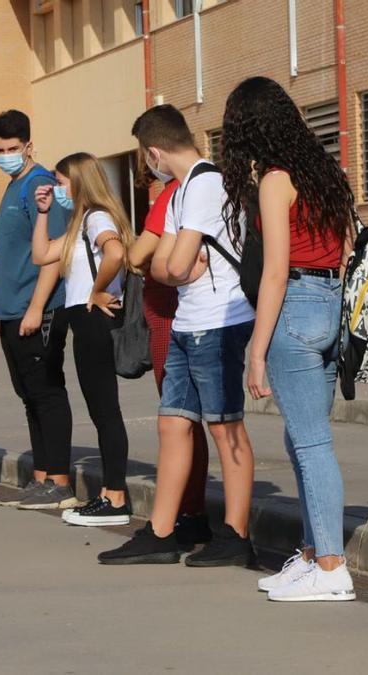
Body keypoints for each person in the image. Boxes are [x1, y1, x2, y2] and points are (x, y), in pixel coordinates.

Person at [98, 105, 257, 566]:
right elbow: (164, 265)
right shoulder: (181, 189)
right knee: (173, 423)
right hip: (189, 321)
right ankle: (162, 532)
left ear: (154, 151)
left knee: (225, 426)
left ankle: (235, 534)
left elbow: (172, 263)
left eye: (145, 158)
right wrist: (174, 269)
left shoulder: (206, 183)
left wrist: (173, 269)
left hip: (218, 321)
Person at [219, 76, 354, 602]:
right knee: (304, 437)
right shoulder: (325, 172)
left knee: (311, 441)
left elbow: (275, 270)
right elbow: (343, 250)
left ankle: (330, 566)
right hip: (329, 304)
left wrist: (257, 351)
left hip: (293, 307)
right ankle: (309, 552)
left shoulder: (276, 179)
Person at [30, 153, 134, 526]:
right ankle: (110, 493)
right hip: (85, 321)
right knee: (100, 410)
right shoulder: (80, 221)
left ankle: (115, 497)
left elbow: (116, 252)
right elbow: (41, 254)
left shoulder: (96, 217)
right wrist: (42, 212)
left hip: (94, 320)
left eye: (60, 182)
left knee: (105, 411)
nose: (57, 189)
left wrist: (97, 290)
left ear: (77, 181)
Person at [0, 110, 79, 511]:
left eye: (13, 148)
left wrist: (36, 308)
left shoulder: (40, 185)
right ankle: (42, 477)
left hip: (36, 310)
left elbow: (55, 254)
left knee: (46, 392)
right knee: (29, 394)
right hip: (13, 310)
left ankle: (59, 480)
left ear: (28, 145)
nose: (6, 154)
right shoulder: (14, 185)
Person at [128, 171, 213, 550]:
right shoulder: (183, 189)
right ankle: (189, 512)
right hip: (177, 309)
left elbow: (136, 254)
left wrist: (148, 262)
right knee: (188, 420)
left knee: (180, 418)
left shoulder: (177, 191)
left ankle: (189, 513)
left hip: (171, 310)